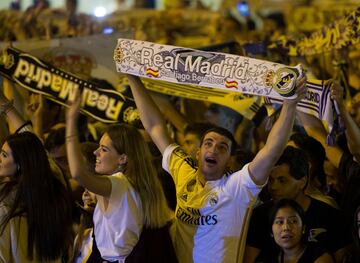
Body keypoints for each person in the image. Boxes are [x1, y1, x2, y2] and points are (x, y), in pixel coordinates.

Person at [127, 73, 307, 263]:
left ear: (230, 161)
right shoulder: (183, 170)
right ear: (198, 153)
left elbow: (272, 150)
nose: (214, 149)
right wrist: (132, 77)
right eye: (209, 143)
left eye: (222, 147)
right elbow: (155, 126)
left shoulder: (237, 188)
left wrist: (289, 105)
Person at [65, 92, 176, 262]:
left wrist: (71, 121)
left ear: (123, 158)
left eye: (104, 149)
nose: (96, 153)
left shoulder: (118, 184)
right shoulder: (128, 185)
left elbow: (78, 174)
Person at [245, 146, 350, 263]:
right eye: (270, 180)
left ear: (302, 181)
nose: (273, 187)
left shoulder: (330, 216)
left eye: (282, 180)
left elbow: (343, 258)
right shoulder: (259, 216)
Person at [0, 131, 73, 262]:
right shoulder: (52, 196)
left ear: (20, 163)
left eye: (4, 155)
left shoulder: (7, 205)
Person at [266, 198, 334, 263]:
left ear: (303, 228)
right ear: (271, 231)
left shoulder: (321, 258)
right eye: (280, 222)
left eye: (293, 221)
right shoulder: (269, 256)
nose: (286, 227)